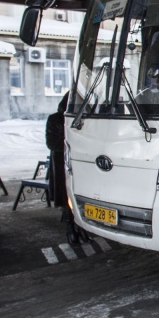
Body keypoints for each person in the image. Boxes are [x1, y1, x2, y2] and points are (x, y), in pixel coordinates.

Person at [45, 92, 89, 246]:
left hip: (77, 164)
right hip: (61, 164)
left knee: (77, 195)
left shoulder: (84, 119)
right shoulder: (55, 119)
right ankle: (71, 229)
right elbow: (52, 144)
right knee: (66, 197)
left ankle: (80, 227)